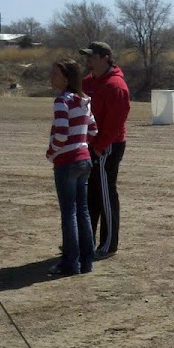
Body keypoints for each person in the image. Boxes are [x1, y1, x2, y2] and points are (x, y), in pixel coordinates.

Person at [46, 59, 98, 275]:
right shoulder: (85, 100)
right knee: (82, 211)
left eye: (56, 74)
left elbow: (60, 134)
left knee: (69, 213)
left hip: (67, 162)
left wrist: (51, 152)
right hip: (84, 159)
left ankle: (71, 263)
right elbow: (93, 129)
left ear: (66, 77)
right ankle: (87, 261)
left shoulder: (62, 101)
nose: (52, 77)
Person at [80, 41, 130, 258]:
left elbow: (116, 122)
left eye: (92, 56)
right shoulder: (89, 82)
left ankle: (109, 245)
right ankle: (85, 241)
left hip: (108, 146)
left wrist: (100, 146)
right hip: (92, 144)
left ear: (105, 58)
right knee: (90, 194)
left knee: (105, 194)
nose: (88, 60)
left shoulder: (115, 85)